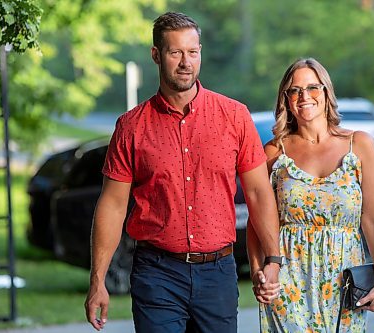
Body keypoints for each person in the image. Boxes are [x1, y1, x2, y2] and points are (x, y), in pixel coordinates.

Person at [84, 12, 281, 333]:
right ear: (156, 55)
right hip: (156, 273)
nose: (185, 62)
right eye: (175, 52)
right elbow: (112, 205)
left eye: (193, 52)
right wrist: (97, 281)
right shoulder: (131, 126)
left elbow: (259, 192)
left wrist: (273, 260)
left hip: (217, 273)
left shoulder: (235, 116)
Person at [247, 57, 374, 332]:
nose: (305, 97)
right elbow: (257, 220)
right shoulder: (274, 153)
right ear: (286, 99)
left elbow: (373, 218)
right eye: (295, 90)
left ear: (326, 92)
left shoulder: (359, 145)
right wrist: (258, 272)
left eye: (313, 87)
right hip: (288, 282)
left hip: (345, 282)